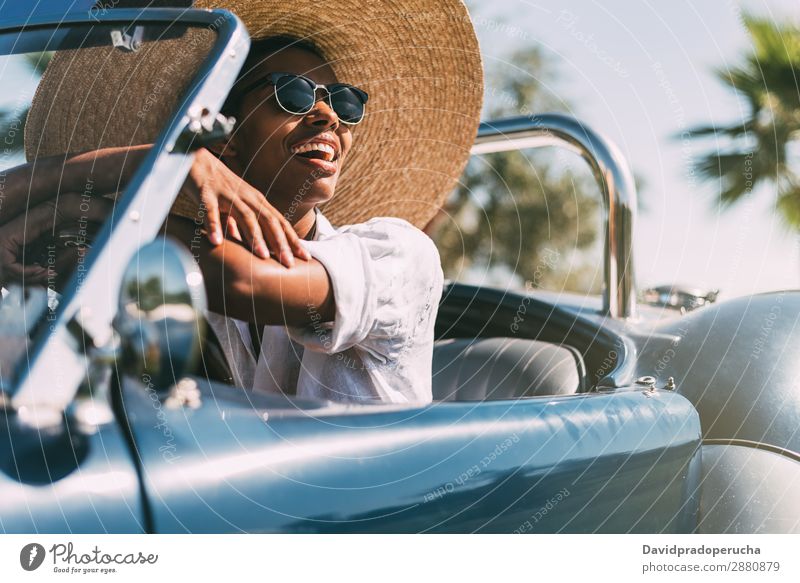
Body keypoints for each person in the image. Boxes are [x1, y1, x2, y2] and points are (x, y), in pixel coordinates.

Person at [0, 0, 483, 404]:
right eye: (291, 95)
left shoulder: (400, 253)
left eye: (344, 101)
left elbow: (243, 280)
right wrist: (156, 164)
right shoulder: (170, 269)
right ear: (226, 138)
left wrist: (98, 214)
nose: (327, 115)